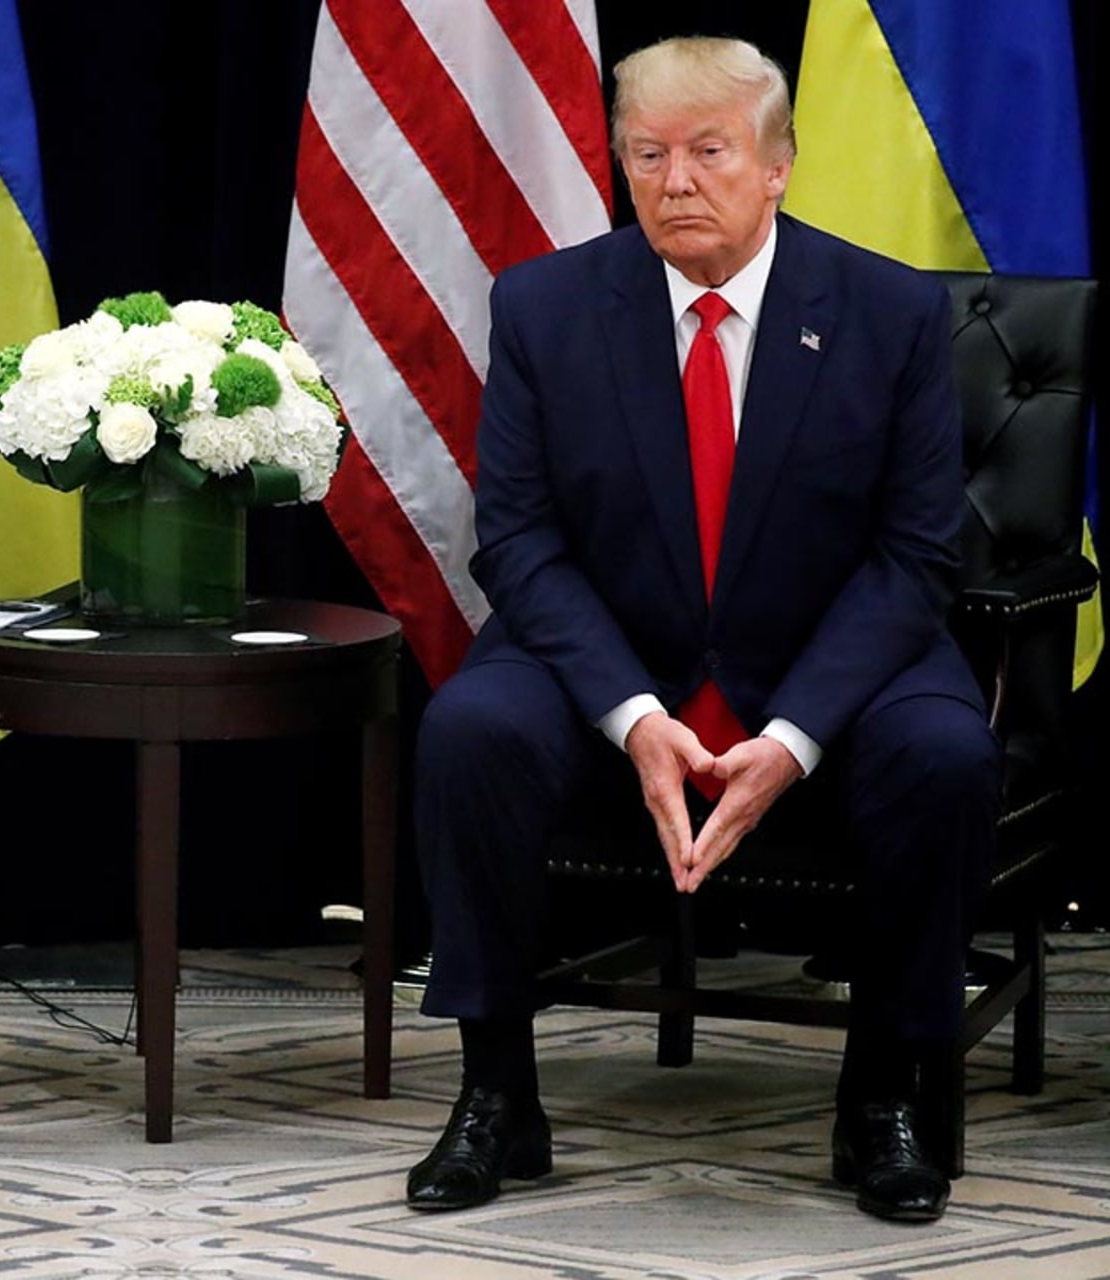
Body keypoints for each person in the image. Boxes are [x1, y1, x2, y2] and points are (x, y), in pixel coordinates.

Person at [405, 37, 995, 1224]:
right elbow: (518, 541)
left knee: (945, 754)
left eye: (709, 152)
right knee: (470, 728)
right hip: (613, 654)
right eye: (648, 154)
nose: (676, 180)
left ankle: (878, 1094)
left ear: (777, 164)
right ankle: (496, 1092)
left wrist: (796, 732)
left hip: (831, 656)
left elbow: (914, 554)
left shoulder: (891, 313)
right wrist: (631, 714)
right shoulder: (544, 305)